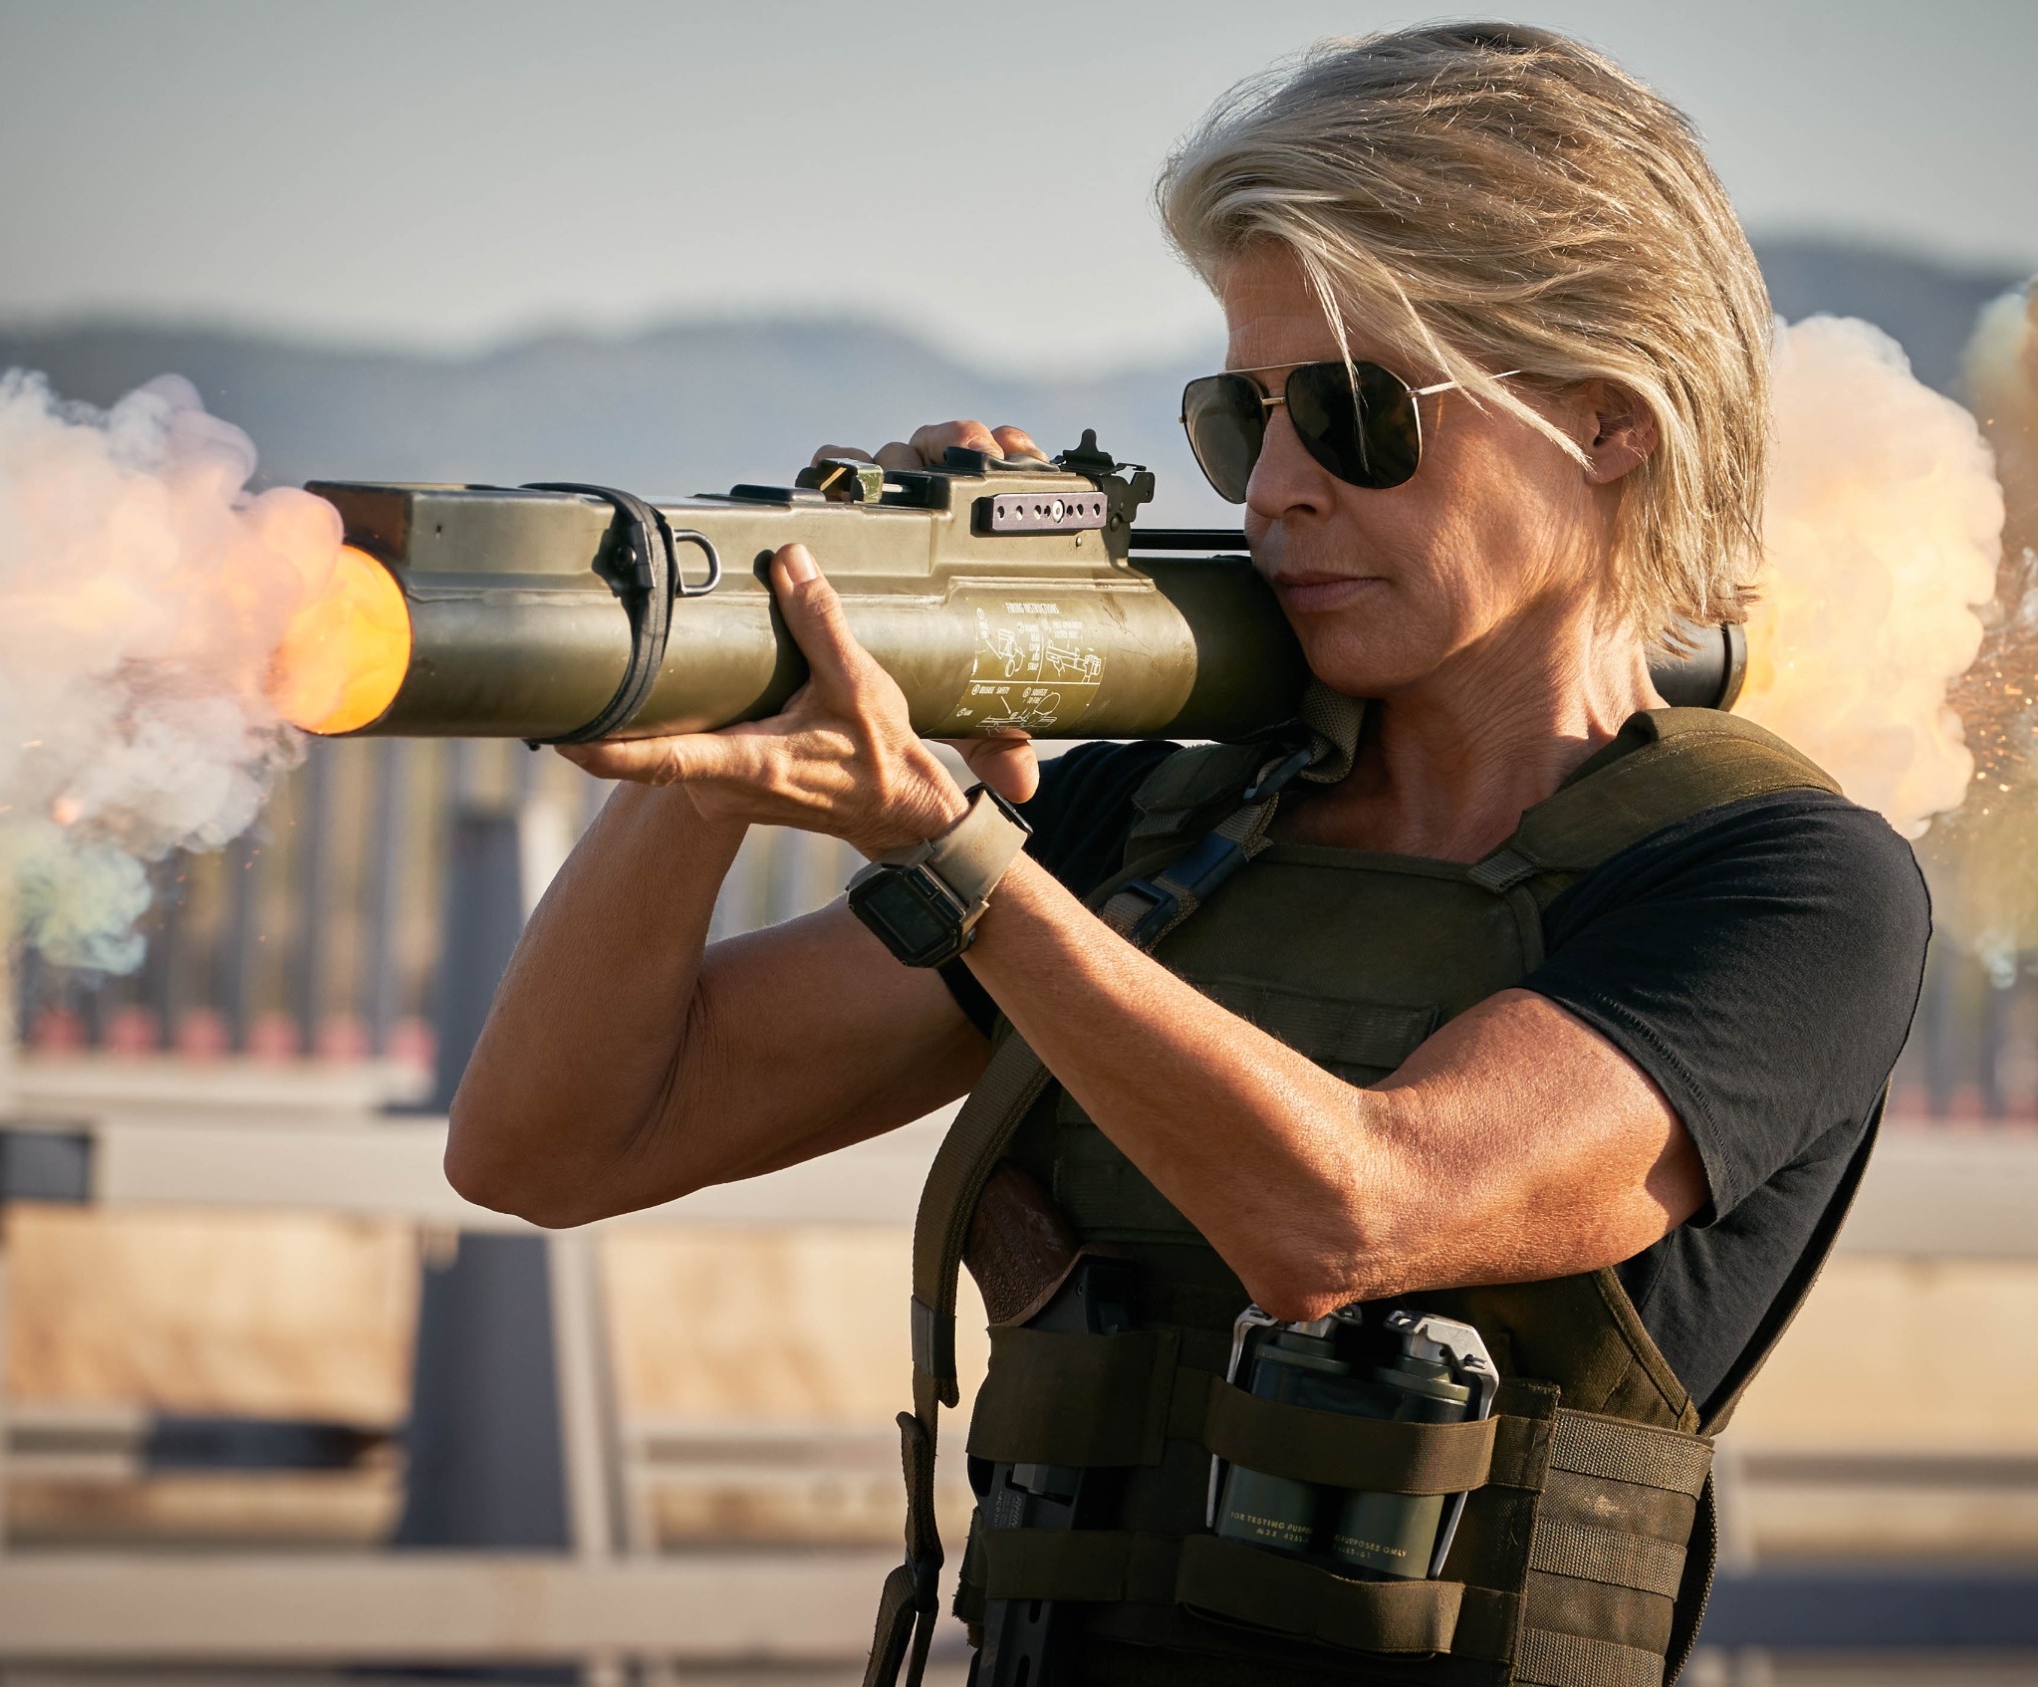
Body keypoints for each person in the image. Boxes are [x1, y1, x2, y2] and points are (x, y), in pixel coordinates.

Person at [446, 22, 1929, 1687]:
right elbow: (554, 1148)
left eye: (1361, 414)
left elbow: (1356, 1213)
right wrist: (759, 700)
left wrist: (951, 851)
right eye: (1244, 418)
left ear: (1607, 425)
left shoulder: (1788, 887)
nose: (1279, 488)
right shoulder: (1163, 830)